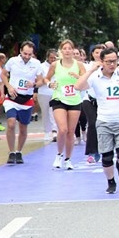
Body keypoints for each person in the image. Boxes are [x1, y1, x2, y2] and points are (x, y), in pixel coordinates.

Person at [75, 47, 119, 194]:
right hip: (104, 121)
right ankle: (111, 181)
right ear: (102, 62)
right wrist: (90, 71)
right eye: (108, 62)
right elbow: (78, 86)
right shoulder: (95, 77)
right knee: (107, 156)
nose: (112, 64)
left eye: (114, 61)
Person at [44, 40, 86, 170]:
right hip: (59, 98)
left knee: (70, 131)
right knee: (62, 129)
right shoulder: (55, 65)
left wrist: (78, 76)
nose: (67, 50)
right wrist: (49, 84)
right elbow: (46, 78)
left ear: (73, 51)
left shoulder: (79, 65)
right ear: (61, 51)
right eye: (65, 48)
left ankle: (68, 159)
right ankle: (59, 155)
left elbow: (86, 81)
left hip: (74, 100)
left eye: (70, 48)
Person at [1, 41, 43, 164]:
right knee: (11, 123)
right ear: (20, 51)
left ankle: (19, 151)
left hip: (26, 99)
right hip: (13, 97)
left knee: (23, 127)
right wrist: (8, 86)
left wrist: (34, 84)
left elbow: (41, 81)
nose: (27, 56)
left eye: (29, 54)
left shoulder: (36, 64)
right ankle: (11, 152)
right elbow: (3, 75)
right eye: (25, 53)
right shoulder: (13, 61)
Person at [83, 44, 105, 163]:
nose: (98, 55)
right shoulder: (87, 67)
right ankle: (92, 152)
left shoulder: (109, 67)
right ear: (92, 54)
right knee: (92, 123)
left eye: (101, 52)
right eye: (96, 52)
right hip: (89, 99)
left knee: (103, 125)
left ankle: (104, 149)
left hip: (104, 101)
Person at [37, 49, 58, 142]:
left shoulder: (60, 66)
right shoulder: (41, 66)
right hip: (44, 92)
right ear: (47, 57)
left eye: (55, 57)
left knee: (54, 112)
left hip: (56, 92)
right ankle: (46, 131)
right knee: (45, 112)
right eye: (51, 58)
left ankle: (55, 131)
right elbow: (39, 80)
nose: (53, 59)